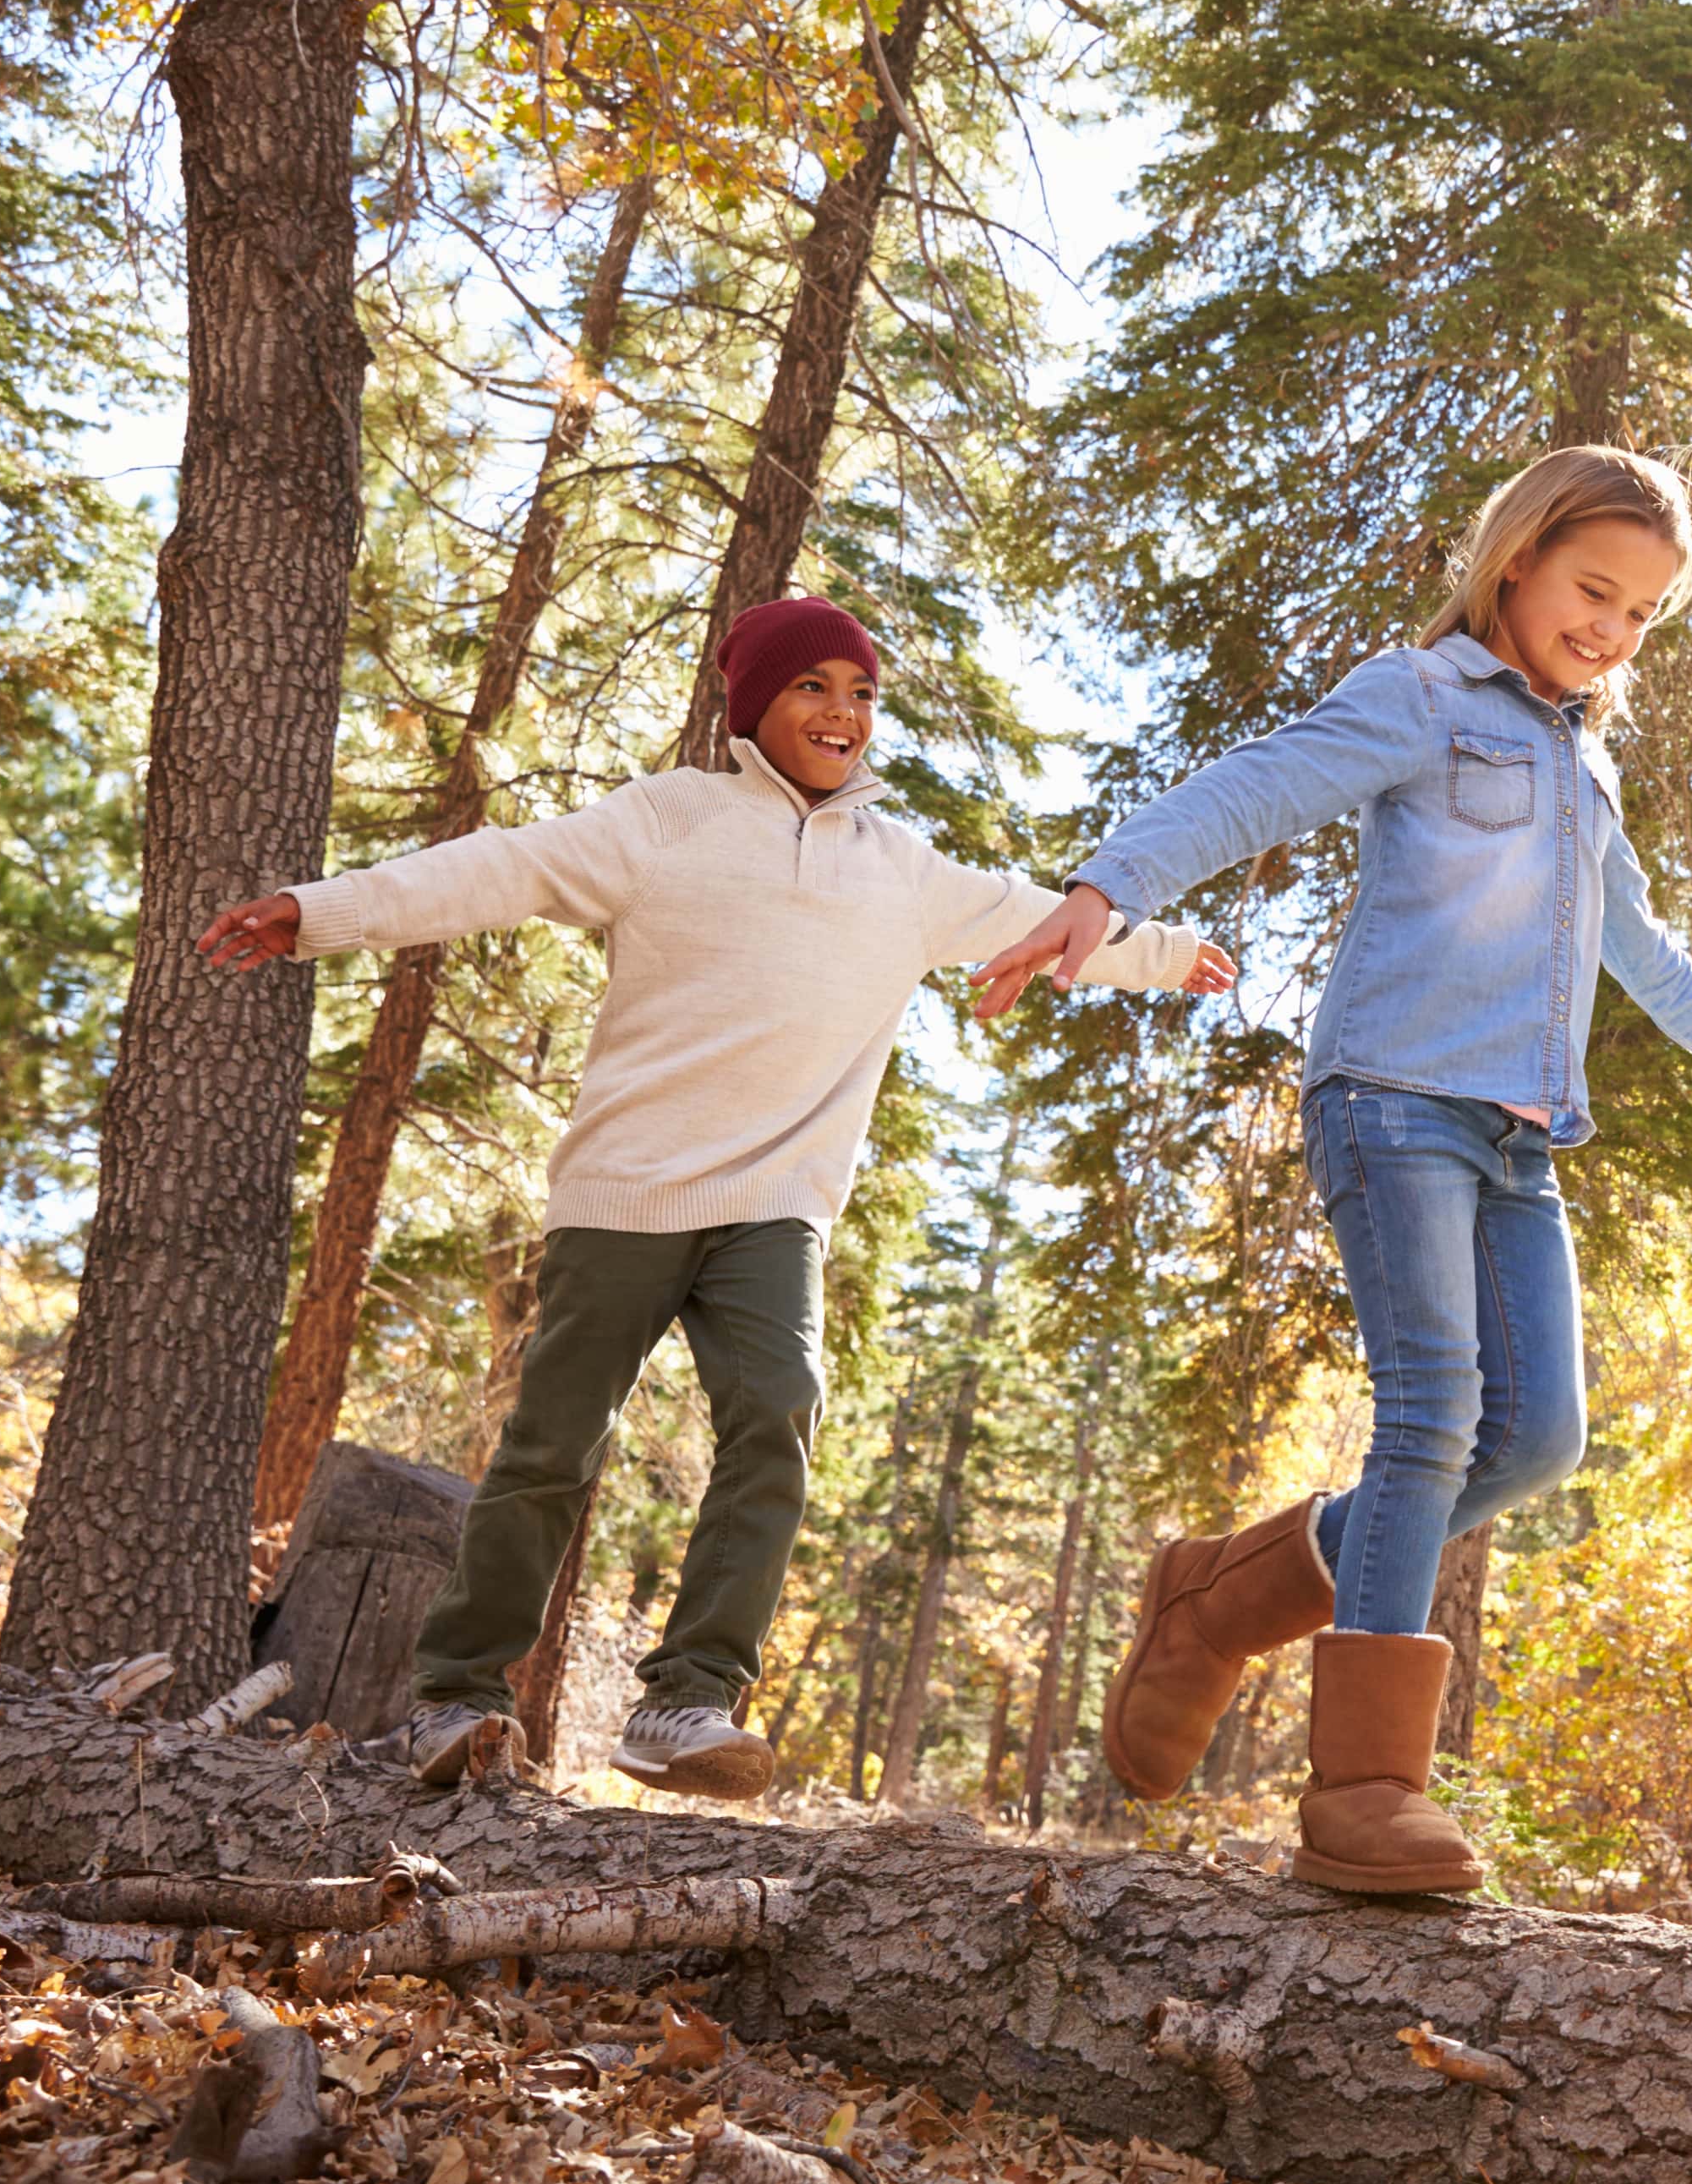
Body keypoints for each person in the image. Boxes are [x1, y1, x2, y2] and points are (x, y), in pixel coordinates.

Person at [972, 446, 1692, 1897]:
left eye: (1642, 614)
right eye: (1594, 591)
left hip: (1520, 1137)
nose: (1611, 632)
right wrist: (1105, 889)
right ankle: (1367, 1790)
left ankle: (1217, 1598)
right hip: (1393, 1100)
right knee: (1435, 1409)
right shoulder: (1423, 696)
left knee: (1538, 1439)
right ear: (1516, 558)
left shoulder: (1586, 765)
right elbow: (1257, 787)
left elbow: (1641, 950)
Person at [198, 594, 1232, 1801]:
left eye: (861, 693)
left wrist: (1159, 955)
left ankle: (686, 1699)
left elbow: (1041, 920)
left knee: (779, 1408)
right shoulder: (669, 820)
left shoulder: (901, 869)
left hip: (776, 1202)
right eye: (813, 688)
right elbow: (501, 869)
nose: (842, 714)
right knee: (549, 1449)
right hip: (626, 1190)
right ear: (756, 704)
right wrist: (318, 913)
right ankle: (456, 1697)